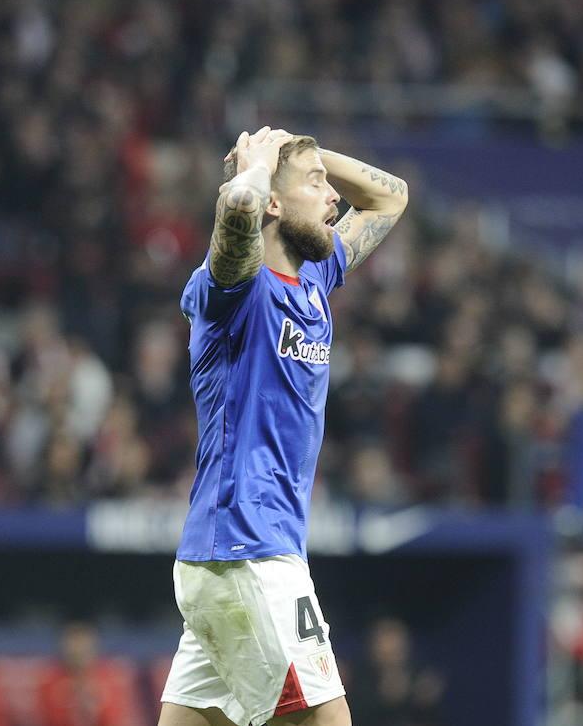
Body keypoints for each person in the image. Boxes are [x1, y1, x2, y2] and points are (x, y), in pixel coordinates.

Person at [158, 127, 409, 726]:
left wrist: (308, 156)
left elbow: (391, 197)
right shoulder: (233, 290)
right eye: (316, 185)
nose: (333, 197)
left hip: (233, 563)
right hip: (250, 551)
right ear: (273, 201)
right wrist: (258, 167)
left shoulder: (316, 278)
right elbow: (239, 211)